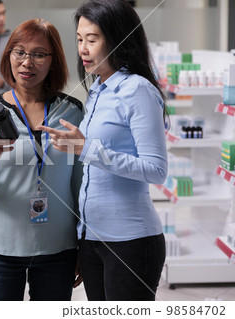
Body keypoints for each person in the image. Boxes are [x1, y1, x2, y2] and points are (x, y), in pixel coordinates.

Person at [38, 0, 168, 301]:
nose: (83, 48)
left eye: (92, 40)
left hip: (130, 240)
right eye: (80, 39)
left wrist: (87, 149)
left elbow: (156, 170)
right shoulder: (98, 89)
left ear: (119, 38)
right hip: (91, 238)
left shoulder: (138, 90)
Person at [0, 18, 84, 301]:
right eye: (19, 52)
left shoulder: (72, 112)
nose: (27, 62)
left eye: (39, 54)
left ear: (53, 61)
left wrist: (85, 245)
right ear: (9, 56)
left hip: (58, 248)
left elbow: (82, 187)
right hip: (0, 248)